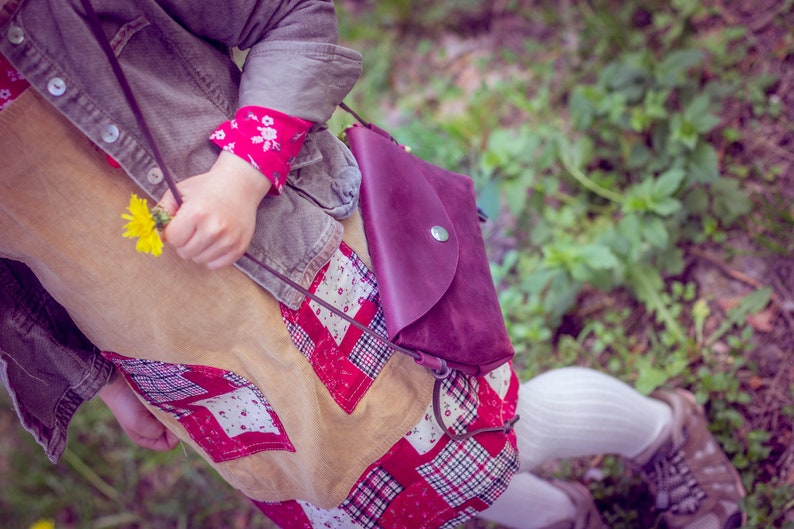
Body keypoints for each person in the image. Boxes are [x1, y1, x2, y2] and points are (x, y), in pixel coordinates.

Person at [0, 1, 745, 528]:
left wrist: (241, 174)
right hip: (176, 352)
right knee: (360, 491)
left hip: (299, 271)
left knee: (471, 432)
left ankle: (660, 430)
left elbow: (289, 16)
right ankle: (555, 513)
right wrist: (104, 383)